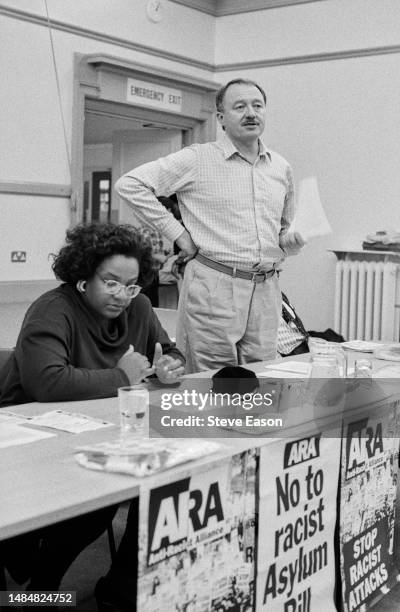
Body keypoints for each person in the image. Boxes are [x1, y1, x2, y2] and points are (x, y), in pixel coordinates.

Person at [0, 223, 184, 602]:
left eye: (131, 285)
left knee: (123, 491)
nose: (122, 295)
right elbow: (46, 383)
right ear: (84, 275)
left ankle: (74, 586)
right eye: (111, 282)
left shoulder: (140, 308)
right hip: (28, 437)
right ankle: (37, 576)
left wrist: (169, 367)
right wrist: (122, 376)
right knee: (94, 500)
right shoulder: (53, 309)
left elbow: (168, 350)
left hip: (95, 429)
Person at [115, 78, 305, 373]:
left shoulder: (280, 167)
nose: (251, 113)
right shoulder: (198, 159)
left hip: (267, 288)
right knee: (211, 380)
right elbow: (130, 184)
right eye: (239, 106)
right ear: (221, 119)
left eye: (257, 106)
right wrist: (180, 236)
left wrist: (289, 242)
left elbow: (283, 228)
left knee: (262, 377)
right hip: (214, 284)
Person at [277, 292, 310, 357]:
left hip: (300, 345)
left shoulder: (278, 294)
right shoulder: (256, 297)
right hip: (287, 351)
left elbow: (295, 322)